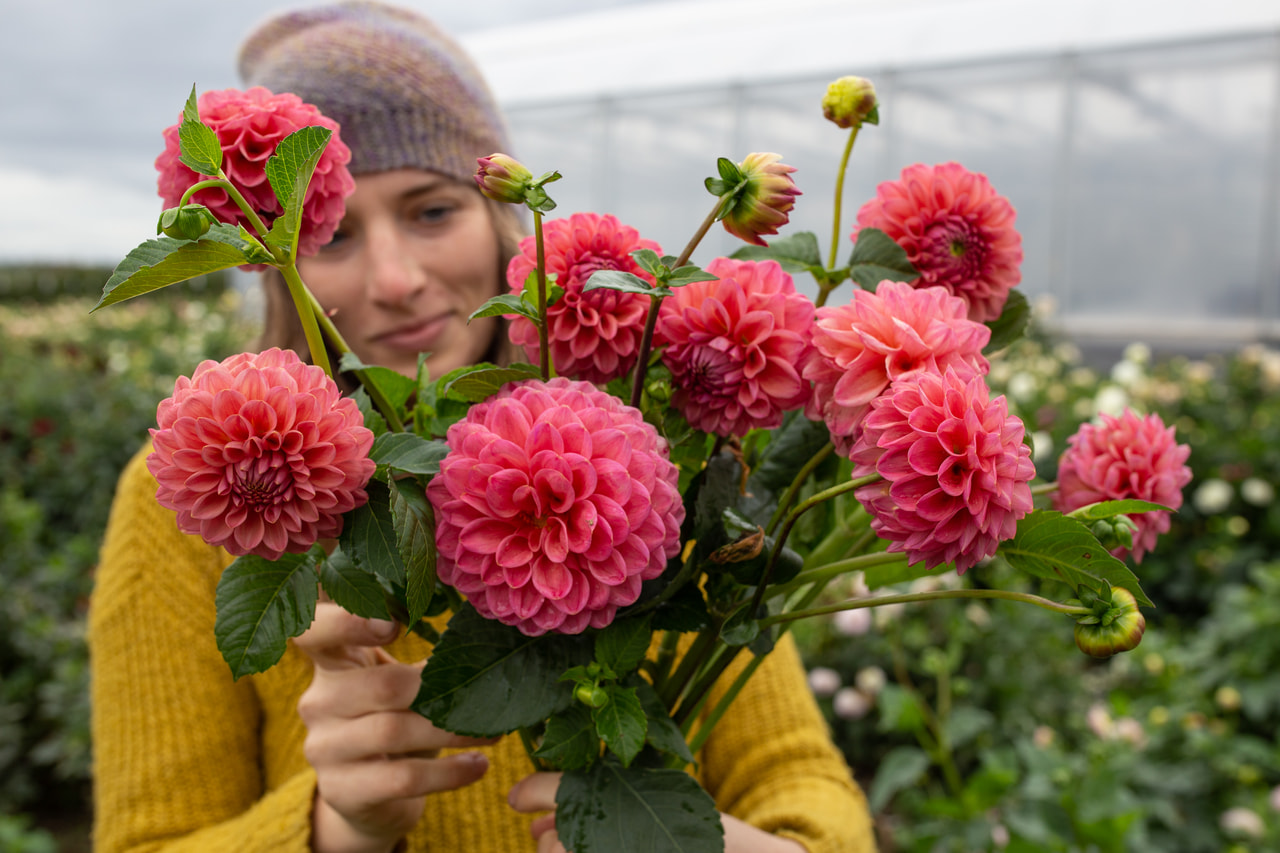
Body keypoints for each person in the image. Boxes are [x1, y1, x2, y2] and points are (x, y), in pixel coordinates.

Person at [88, 3, 878, 852]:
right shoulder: (186, 503)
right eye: (338, 232)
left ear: (498, 213)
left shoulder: (639, 446)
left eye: (431, 212)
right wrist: (329, 830)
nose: (396, 279)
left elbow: (800, 779)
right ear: (275, 252)